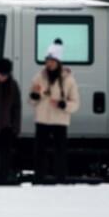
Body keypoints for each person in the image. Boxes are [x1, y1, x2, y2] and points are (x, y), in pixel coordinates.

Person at [28, 39, 79, 183]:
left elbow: (75, 103)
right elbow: (31, 100)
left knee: (60, 152)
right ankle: (38, 179)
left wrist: (63, 105)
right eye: (47, 60)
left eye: (51, 61)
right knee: (39, 152)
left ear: (58, 62)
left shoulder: (69, 80)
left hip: (59, 120)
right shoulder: (38, 77)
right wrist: (34, 96)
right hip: (42, 119)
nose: (48, 63)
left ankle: (61, 180)